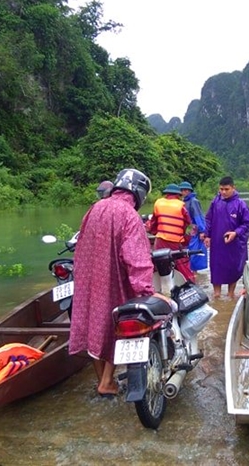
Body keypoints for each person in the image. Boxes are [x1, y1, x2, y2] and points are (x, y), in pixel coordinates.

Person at [69, 168, 172, 398]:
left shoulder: (95, 208)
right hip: (113, 281)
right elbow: (136, 258)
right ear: (139, 193)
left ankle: (104, 381)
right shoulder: (129, 215)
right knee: (117, 325)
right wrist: (147, 291)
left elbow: (81, 246)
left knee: (95, 326)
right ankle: (106, 382)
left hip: (89, 279)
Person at [204, 176, 249, 299]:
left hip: (235, 244)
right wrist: (207, 235)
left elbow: (247, 223)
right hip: (217, 242)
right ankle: (217, 295)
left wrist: (235, 233)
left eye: (226, 189)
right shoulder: (215, 202)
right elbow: (208, 220)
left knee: (234, 268)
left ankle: (231, 294)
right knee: (216, 267)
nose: (223, 192)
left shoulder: (241, 205)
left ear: (233, 188)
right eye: (221, 189)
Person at [148, 183, 194, 282]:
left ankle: (157, 289)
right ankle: (190, 284)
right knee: (182, 266)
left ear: (166, 194)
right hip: (176, 242)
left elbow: (153, 223)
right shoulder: (181, 206)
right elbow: (188, 225)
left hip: (160, 241)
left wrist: (155, 232)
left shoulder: (158, 203)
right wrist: (186, 240)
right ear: (178, 195)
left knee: (159, 264)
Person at [178, 181, 208, 273]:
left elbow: (198, 217)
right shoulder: (184, 201)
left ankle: (194, 273)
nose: (182, 192)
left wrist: (202, 231)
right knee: (188, 252)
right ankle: (191, 272)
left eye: (183, 190)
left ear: (188, 191)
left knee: (194, 252)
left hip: (194, 229)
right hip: (188, 229)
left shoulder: (193, 201)